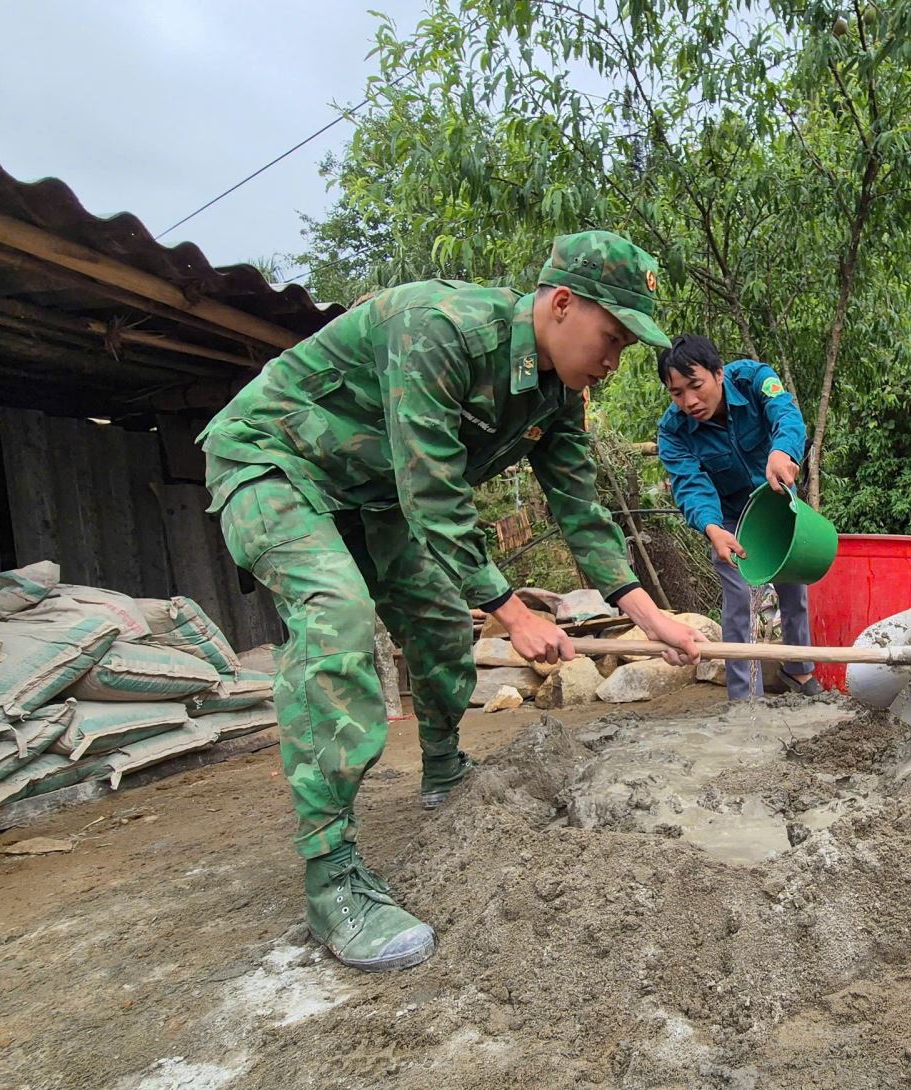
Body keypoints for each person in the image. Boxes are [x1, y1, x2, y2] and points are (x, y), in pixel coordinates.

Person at [201, 230, 703, 972]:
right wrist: (515, 612)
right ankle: (332, 874)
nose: (614, 359)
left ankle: (443, 773)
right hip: (277, 461)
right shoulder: (437, 327)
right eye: (613, 337)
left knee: (438, 621)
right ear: (561, 305)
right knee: (336, 619)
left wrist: (652, 618)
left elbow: (580, 510)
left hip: (374, 495)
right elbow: (431, 489)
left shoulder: (561, 395)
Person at [655, 334, 818, 701]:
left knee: (795, 588)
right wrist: (712, 529)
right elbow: (690, 485)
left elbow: (786, 415)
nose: (689, 401)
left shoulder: (755, 379)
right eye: (677, 393)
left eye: (695, 386)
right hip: (729, 520)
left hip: (777, 504)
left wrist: (782, 452)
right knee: (740, 595)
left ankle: (800, 673)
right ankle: (744, 699)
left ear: (719, 374)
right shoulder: (673, 431)